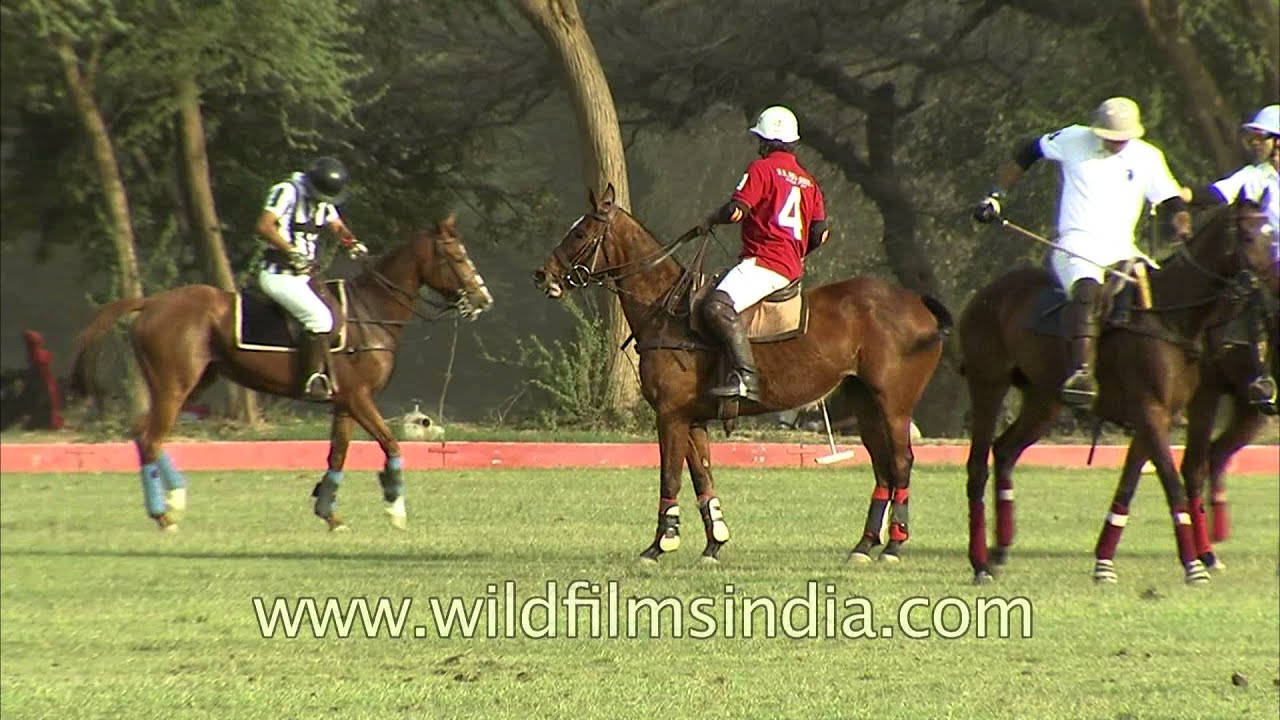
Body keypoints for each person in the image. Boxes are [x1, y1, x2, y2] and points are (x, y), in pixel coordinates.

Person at [973, 97, 1191, 406]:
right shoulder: (1073, 138)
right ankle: (1081, 374)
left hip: (1123, 248)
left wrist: (1181, 220)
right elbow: (1027, 151)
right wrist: (995, 195)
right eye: (1109, 137)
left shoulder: (1148, 157)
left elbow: (1171, 199)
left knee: (1163, 296)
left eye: (1122, 138)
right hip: (1076, 244)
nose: (1116, 143)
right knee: (1087, 290)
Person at [694, 105, 830, 402]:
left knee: (716, 307)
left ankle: (746, 378)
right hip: (790, 268)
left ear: (767, 142)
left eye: (760, 140)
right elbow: (821, 233)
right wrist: (799, 253)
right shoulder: (809, 182)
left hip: (765, 263)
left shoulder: (762, 169)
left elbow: (736, 212)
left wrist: (711, 219)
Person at [1182, 104, 1279, 410]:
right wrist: (1181, 195)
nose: (1255, 143)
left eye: (1261, 137)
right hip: (1266, 264)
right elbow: (1217, 194)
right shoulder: (1254, 176)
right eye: (1253, 138)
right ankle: (1265, 377)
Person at [255, 156, 368, 401]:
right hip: (279, 273)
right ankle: (311, 379)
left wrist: (352, 243)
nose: (323, 201)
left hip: (304, 276)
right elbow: (264, 226)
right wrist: (291, 251)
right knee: (319, 319)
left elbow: (337, 226)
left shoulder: (323, 200)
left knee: (338, 315)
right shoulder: (287, 191)